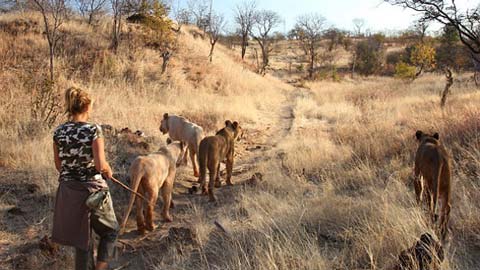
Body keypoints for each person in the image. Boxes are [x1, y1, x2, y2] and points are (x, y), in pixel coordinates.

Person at [52, 87, 119, 270]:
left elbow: (59, 166)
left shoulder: (59, 132)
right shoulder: (93, 130)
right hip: (93, 191)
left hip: (68, 192)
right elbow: (100, 165)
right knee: (111, 232)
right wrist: (108, 170)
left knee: (82, 239)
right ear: (87, 106)